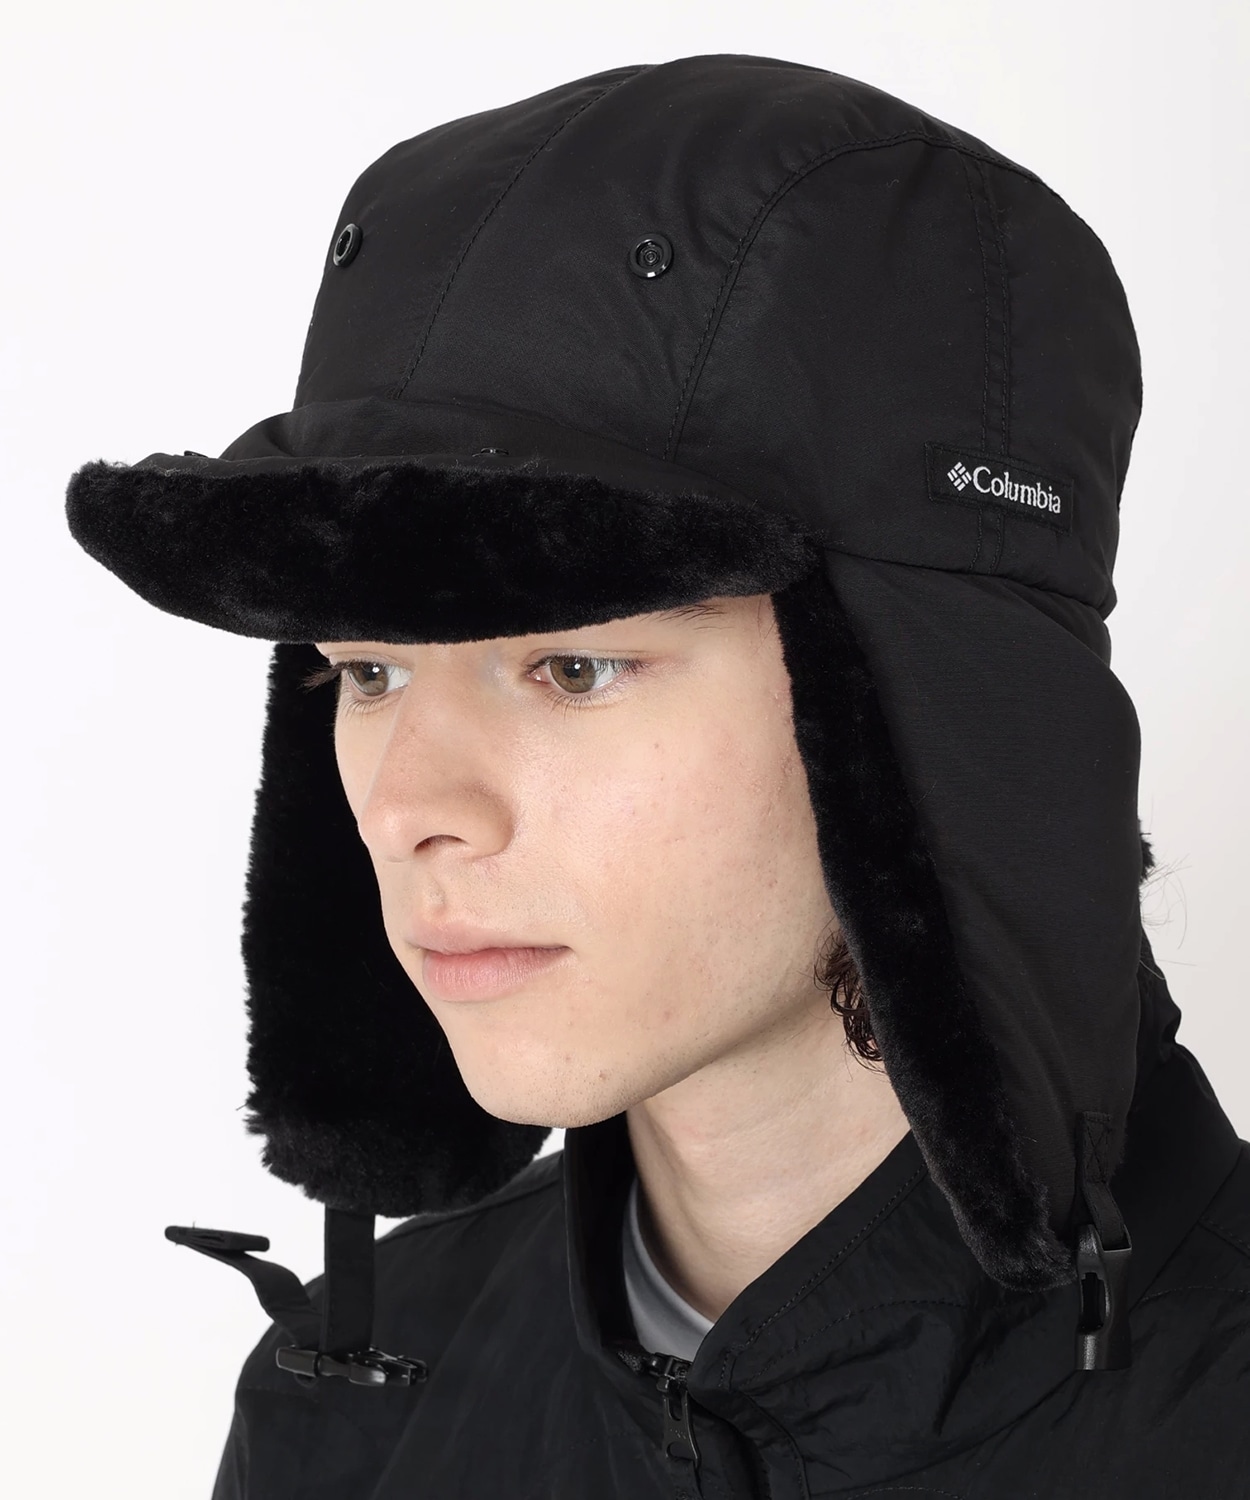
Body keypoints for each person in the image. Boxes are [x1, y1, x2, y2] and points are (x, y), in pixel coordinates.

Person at [65, 52, 1250, 1499]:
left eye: (572, 668)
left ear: (933, 713)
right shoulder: (353, 1405)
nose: (412, 809)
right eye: (367, 672)